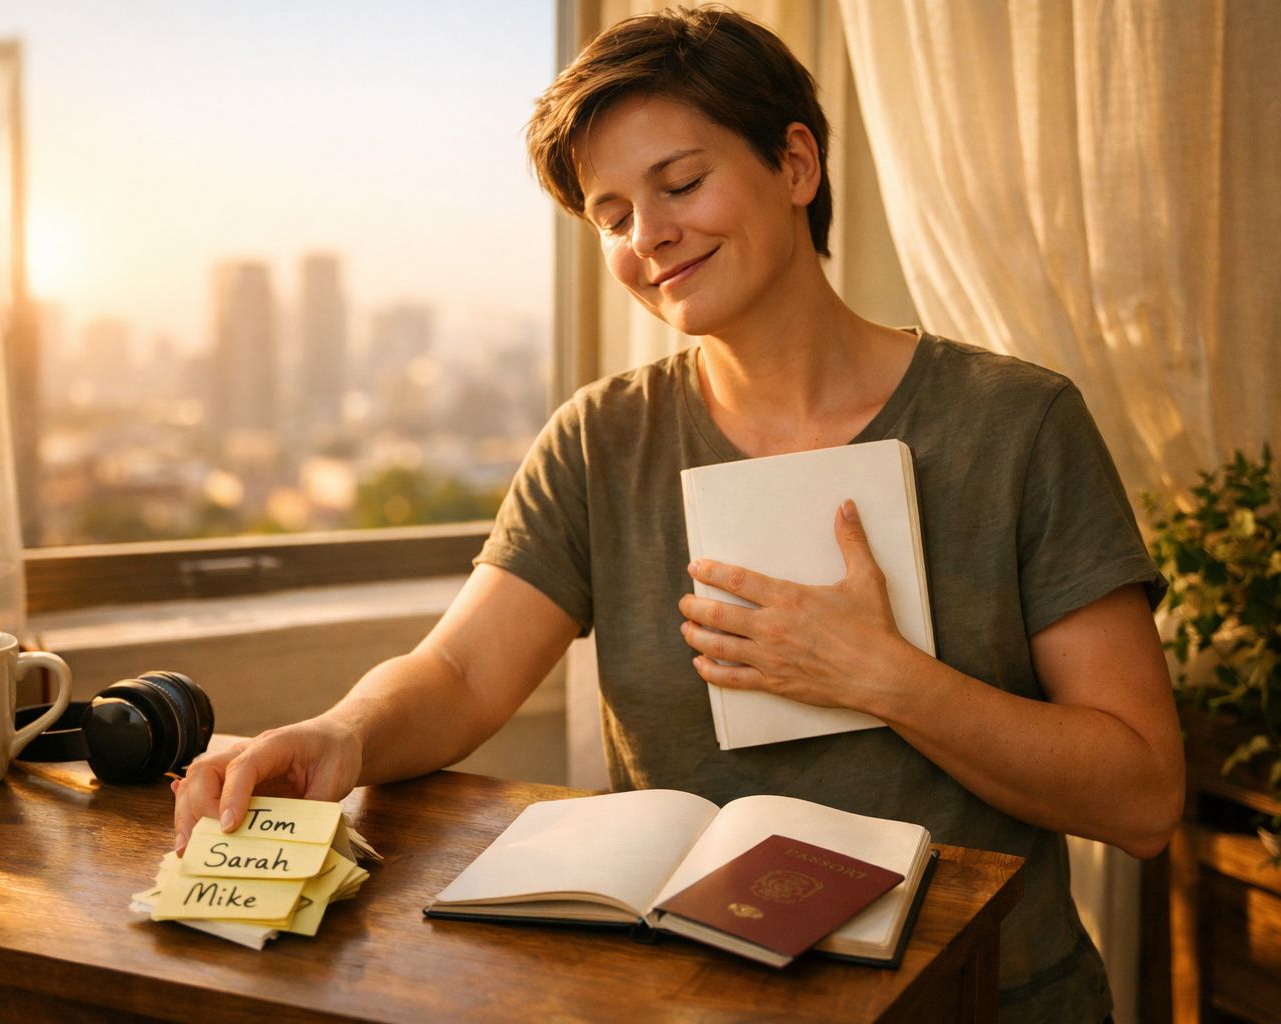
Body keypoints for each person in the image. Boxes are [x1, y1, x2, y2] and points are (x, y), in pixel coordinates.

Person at [175, 8, 1182, 1021]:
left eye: (681, 183)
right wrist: (338, 734)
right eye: (611, 215)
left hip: (987, 1001)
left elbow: (1142, 795)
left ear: (795, 164)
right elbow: (460, 671)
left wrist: (884, 676)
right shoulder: (603, 439)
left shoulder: (1019, 425)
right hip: (695, 1001)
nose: (647, 236)